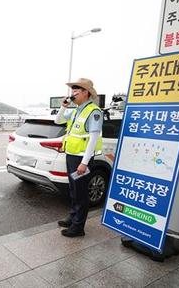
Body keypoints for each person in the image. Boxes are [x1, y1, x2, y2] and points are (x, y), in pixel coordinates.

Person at [54, 78, 103, 237]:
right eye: (72, 91)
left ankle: (78, 227)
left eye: (76, 91)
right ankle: (73, 216)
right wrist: (63, 106)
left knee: (81, 192)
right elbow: (58, 120)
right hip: (72, 156)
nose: (73, 94)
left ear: (85, 93)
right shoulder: (76, 110)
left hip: (82, 159)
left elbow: (93, 139)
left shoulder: (93, 112)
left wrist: (84, 163)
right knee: (74, 189)